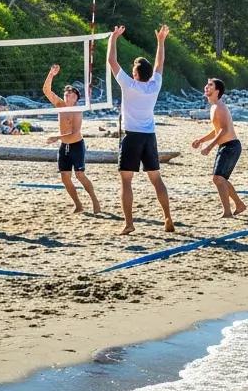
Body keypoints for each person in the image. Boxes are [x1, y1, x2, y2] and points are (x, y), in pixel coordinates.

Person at [108, 24, 174, 235]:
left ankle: (129, 223)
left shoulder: (130, 85)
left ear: (135, 74)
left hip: (131, 137)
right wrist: (161, 41)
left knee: (126, 181)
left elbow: (112, 61)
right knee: (156, 179)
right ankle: (168, 217)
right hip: (149, 137)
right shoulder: (154, 86)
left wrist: (113, 38)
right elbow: (159, 63)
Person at [42, 64, 100, 214]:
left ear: (76, 99)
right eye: (67, 94)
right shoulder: (60, 105)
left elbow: (75, 133)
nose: (68, 97)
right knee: (65, 178)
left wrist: (56, 137)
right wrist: (51, 74)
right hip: (64, 147)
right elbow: (46, 91)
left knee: (80, 175)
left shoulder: (77, 111)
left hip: (76, 146)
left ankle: (94, 200)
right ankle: (78, 205)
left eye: (72, 96)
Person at [192, 78, 246, 219]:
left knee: (218, 179)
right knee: (221, 179)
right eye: (207, 84)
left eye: (210, 85)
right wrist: (201, 140)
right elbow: (216, 130)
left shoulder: (220, 107)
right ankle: (239, 205)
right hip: (227, 146)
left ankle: (227, 212)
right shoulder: (214, 106)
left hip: (231, 147)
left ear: (217, 91)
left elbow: (223, 130)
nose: (206, 87)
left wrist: (209, 147)